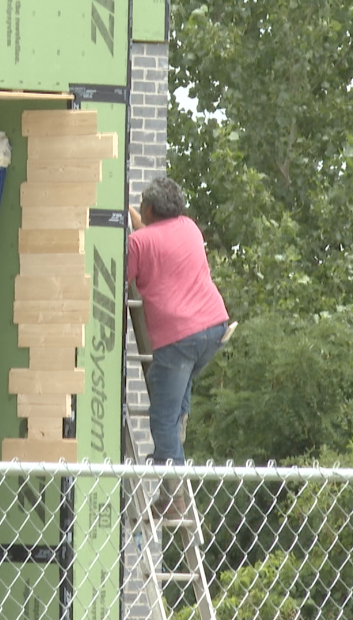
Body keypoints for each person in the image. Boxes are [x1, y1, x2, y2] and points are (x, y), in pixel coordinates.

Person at [127, 177, 229, 516]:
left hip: (179, 339)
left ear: (150, 208)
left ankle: (174, 498)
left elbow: (123, 271)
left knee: (162, 419)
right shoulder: (189, 228)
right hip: (213, 328)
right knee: (176, 398)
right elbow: (162, 239)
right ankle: (178, 431)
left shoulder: (139, 244)